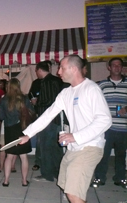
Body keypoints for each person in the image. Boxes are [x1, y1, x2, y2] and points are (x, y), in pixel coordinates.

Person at [20, 55, 112, 203]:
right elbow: (47, 115)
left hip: (90, 147)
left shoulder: (91, 89)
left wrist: (76, 136)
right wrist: (27, 134)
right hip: (74, 148)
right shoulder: (66, 93)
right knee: (64, 185)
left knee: (73, 194)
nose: (58, 72)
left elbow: (105, 120)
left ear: (74, 69)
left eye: (62, 68)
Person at [91, 57, 127, 189]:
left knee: (121, 155)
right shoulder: (102, 85)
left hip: (123, 127)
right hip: (106, 128)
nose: (117, 67)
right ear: (109, 67)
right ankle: (100, 178)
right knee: (103, 155)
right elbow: (94, 102)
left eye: (119, 65)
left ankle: (120, 178)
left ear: (122, 68)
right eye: (114, 65)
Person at [30, 60, 64, 182]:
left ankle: (47, 174)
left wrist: (36, 102)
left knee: (46, 147)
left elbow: (48, 102)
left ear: (39, 70)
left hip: (48, 120)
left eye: (36, 71)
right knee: (55, 148)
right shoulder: (56, 81)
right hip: (55, 120)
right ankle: (57, 173)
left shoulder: (47, 82)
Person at [0, 78, 33, 187]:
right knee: (23, 156)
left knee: (9, 156)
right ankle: (24, 181)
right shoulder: (24, 98)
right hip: (23, 128)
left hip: (10, 129)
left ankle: (6, 181)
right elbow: (32, 111)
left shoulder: (4, 100)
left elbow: (0, 117)